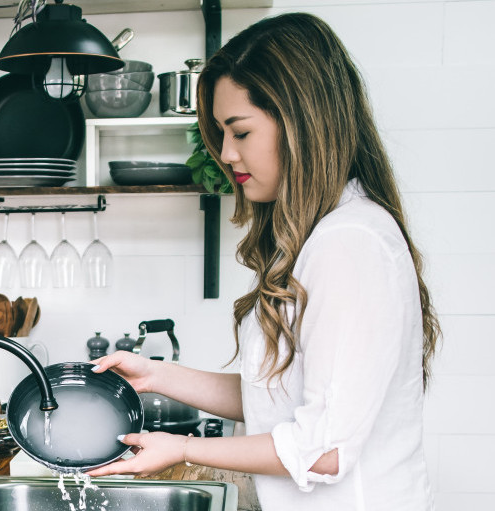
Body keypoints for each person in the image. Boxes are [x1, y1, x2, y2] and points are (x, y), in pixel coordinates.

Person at [87, 12, 440, 511]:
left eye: (241, 132)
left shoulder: (350, 244)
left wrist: (183, 448)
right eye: (221, 133)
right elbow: (274, 400)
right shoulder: (322, 235)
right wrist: (154, 376)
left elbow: (325, 451)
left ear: (301, 123)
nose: (227, 154)